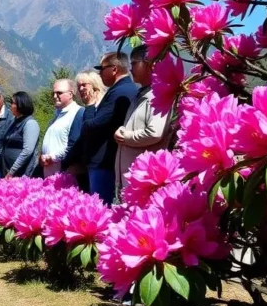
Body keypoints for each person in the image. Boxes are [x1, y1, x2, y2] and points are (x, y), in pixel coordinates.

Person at [75, 52, 137, 205]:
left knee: (100, 208)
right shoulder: (127, 89)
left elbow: (92, 125)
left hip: (103, 162)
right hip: (109, 160)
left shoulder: (118, 92)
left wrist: (89, 105)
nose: (99, 73)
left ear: (114, 69)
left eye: (101, 69)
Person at [114, 45, 173, 199]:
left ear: (149, 65)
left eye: (134, 63)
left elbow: (154, 132)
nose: (130, 69)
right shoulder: (142, 94)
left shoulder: (158, 95)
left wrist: (125, 137)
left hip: (144, 178)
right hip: (133, 176)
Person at [40, 78, 83, 178]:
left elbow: (75, 144)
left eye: (59, 93)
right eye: (53, 93)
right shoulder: (57, 115)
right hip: (50, 173)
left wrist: (52, 157)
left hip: (65, 175)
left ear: (71, 94)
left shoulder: (78, 113)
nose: (55, 96)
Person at [1, 91, 40, 178]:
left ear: (21, 105)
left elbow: (27, 151)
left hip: (20, 173)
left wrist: (12, 171)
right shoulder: (14, 121)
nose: (10, 105)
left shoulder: (30, 123)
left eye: (13, 103)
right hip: (7, 170)